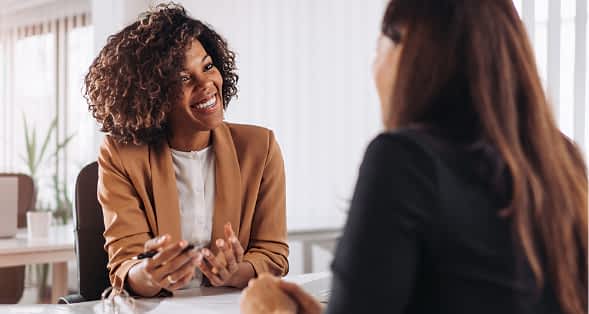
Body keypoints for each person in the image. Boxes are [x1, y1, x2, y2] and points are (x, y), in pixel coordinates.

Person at [240, 0, 588, 313]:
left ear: (410, 52)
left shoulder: (403, 161)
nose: (375, 65)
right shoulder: (560, 159)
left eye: (381, 46)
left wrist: (268, 309)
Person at [84, 3, 289, 297]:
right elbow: (125, 266)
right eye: (183, 78)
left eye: (207, 66)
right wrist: (152, 274)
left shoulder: (260, 147)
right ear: (151, 94)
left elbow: (273, 255)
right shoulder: (121, 155)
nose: (206, 84)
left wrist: (235, 272)